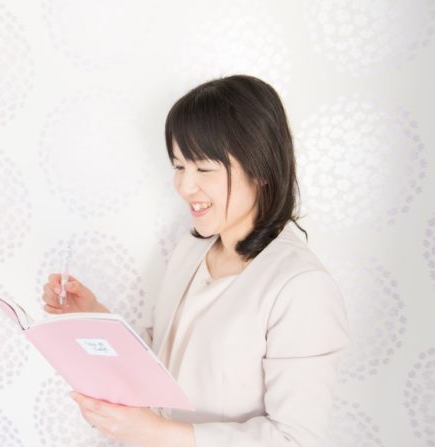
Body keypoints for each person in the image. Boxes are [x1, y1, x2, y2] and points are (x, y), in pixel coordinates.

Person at [40, 74, 351, 447]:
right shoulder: (191, 249)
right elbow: (162, 362)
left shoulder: (301, 287)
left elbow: (296, 439)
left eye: (204, 168)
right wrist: (93, 316)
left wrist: (157, 434)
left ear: (261, 170)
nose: (185, 187)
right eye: (179, 166)